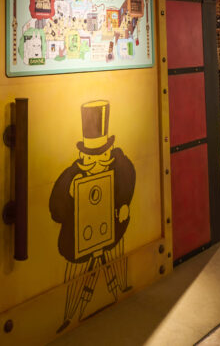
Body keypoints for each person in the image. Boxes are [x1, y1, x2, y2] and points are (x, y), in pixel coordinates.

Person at [49, 100, 135, 332]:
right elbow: (56, 210)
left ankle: (120, 286)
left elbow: (128, 178)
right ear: (81, 154)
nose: (97, 162)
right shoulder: (72, 176)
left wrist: (124, 204)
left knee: (114, 255)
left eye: (102, 155)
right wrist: (70, 193)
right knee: (78, 271)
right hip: (78, 238)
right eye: (90, 157)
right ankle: (68, 314)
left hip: (110, 229)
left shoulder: (119, 165)